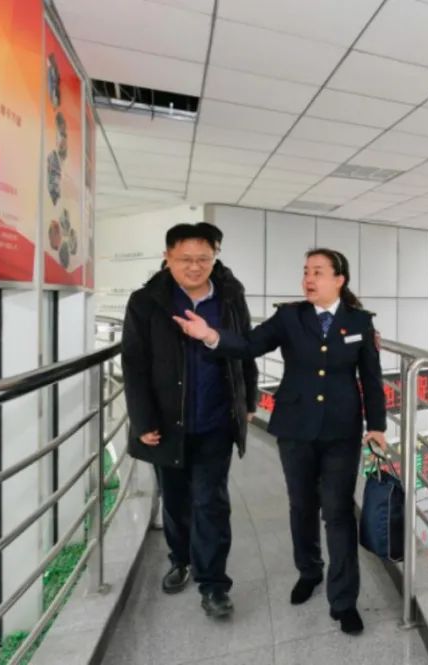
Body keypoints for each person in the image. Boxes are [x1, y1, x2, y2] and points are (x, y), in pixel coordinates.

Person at [172, 248, 387, 636]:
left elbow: (371, 379)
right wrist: (210, 335)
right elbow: (248, 345)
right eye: (305, 271)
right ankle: (309, 571)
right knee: (301, 505)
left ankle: (344, 602)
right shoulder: (289, 317)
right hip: (295, 428)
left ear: (339, 279)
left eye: (317, 272)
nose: (308, 278)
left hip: (341, 432)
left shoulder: (360, 322)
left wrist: (377, 426)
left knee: (338, 513)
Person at [122, 223, 258, 619]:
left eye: (204, 259)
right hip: (167, 423)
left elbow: (245, 348)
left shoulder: (230, 295)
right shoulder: (147, 301)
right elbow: (134, 363)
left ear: (215, 257)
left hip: (216, 420)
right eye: (185, 259)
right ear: (168, 257)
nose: (195, 267)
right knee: (177, 499)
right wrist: (142, 420)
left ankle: (213, 584)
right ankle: (180, 558)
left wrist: (247, 399)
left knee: (211, 502)